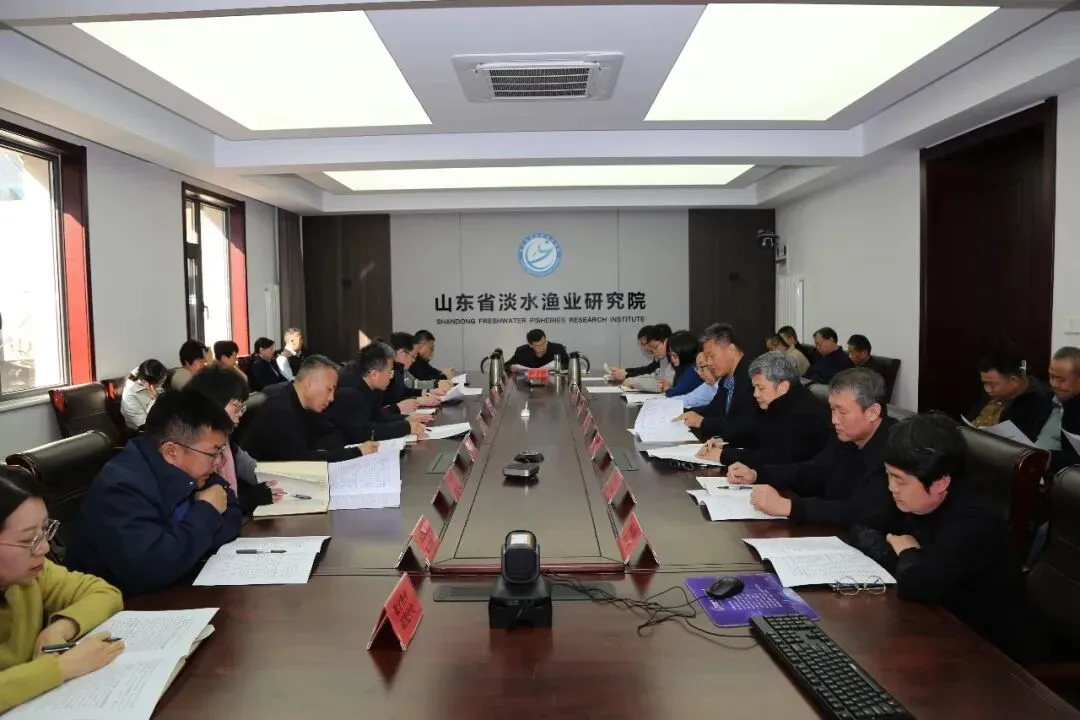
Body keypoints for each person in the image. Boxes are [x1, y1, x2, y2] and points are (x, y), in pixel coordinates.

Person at [849, 414, 1033, 660]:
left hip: (989, 654)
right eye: (889, 475)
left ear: (940, 482)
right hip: (936, 627)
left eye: (899, 480)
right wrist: (903, 558)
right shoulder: (916, 499)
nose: (892, 488)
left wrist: (906, 552)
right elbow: (862, 527)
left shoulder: (976, 522)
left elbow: (917, 585)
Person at [66, 390, 243, 595]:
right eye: (214, 453)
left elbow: (232, 510)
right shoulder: (122, 487)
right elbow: (152, 568)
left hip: (174, 590)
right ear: (171, 451)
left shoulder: (193, 470)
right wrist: (207, 511)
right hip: (116, 604)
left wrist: (185, 543)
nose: (218, 462)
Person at [0, 469, 126, 713]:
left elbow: (104, 592)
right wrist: (60, 668)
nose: (45, 548)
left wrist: (60, 628)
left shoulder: (34, 574)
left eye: (45, 531)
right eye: (28, 540)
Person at [727, 368, 896, 526]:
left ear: (872, 412)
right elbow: (813, 471)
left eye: (842, 412)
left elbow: (861, 512)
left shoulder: (893, 450)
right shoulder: (846, 437)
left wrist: (789, 507)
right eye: (832, 410)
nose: (834, 420)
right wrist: (757, 474)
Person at [697, 351, 831, 468]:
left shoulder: (805, 414)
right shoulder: (776, 402)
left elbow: (776, 458)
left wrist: (724, 455)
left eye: (760, 388)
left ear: (783, 386)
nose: (755, 394)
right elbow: (754, 431)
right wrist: (723, 441)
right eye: (754, 388)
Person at [185, 366, 285, 514]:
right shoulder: (191, 449)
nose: (240, 413)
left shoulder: (227, 443)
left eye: (242, 407)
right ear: (215, 403)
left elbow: (254, 470)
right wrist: (248, 499)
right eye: (237, 406)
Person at [241, 355, 377, 462]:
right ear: (310, 383)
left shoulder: (308, 405)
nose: (331, 398)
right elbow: (303, 460)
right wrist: (357, 452)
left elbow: (333, 434)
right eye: (329, 389)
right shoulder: (279, 411)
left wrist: (323, 450)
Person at [325, 342, 431, 443]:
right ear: (374, 375)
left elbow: (377, 417)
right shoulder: (349, 393)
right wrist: (405, 427)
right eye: (389, 371)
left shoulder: (371, 388)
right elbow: (362, 433)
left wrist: (406, 419)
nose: (391, 376)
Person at [675, 323, 758, 444]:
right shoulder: (727, 379)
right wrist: (688, 413)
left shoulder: (752, 378)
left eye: (711, 356)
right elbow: (713, 410)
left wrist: (701, 421)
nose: (708, 363)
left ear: (731, 350)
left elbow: (741, 425)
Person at [965, 352, 1054, 443]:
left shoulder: (1039, 403)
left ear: (1013, 381)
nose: (987, 389)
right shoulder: (994, 389)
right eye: (985, 383)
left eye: (992, 384)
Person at [383, 332, 444, 410]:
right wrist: (418, 400)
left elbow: (406, 390)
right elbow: (389, 402)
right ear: (402, 353)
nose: (414, 360)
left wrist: (428, 391)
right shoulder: (386, 372)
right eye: (413, 356)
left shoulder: (399, 370)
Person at [621, 324, 675, 392]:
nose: (654, 352)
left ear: (666, 341)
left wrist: (634, 382)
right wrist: (632, 379)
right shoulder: (663, 358)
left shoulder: (677, 358)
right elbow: (656, 377)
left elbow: (664, 386)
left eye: (655, 347)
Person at [119, 358, 167, 430]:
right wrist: (154, 398)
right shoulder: (130, 398)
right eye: (160, 383)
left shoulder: (144, 372)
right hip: (142, 428)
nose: (162, 384)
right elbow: (145, 425)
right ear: (145, 382)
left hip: (161, 413)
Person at [659, 330, 703, 398]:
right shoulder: (683, 367)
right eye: (670, 354)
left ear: (685, 355)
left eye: (675, 356)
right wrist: (670, 388)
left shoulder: (693, 369)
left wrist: (668, 390)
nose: (672, 358)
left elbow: (676, 393)